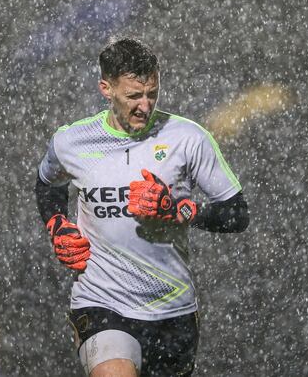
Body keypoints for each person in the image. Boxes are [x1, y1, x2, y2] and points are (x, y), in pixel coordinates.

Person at [34, 36, 249, 376]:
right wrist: (57, 224)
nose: (145, 106)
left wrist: (179, 210)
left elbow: (237, 213)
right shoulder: (71, 141)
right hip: (102, 300)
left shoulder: (187, 138)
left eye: (152, 93)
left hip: (171, 308)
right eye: (134, 95)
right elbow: (47, 185)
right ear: (106, 88)